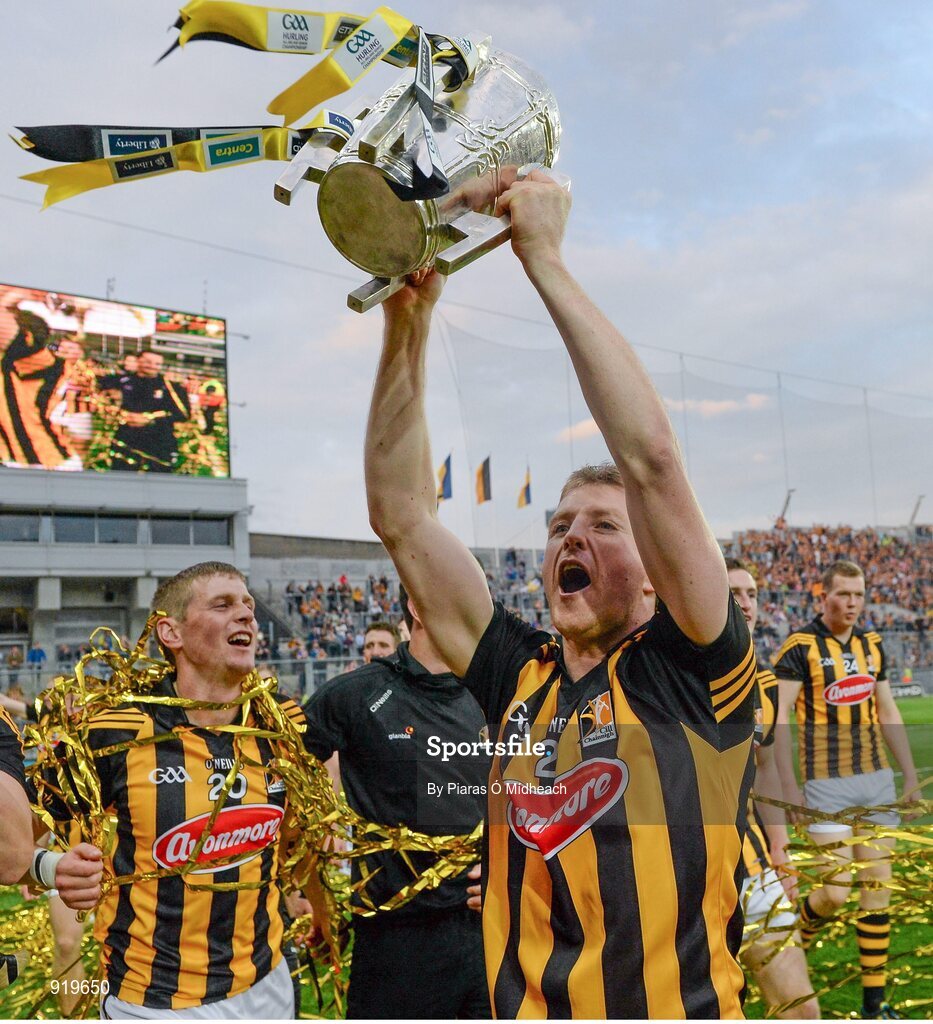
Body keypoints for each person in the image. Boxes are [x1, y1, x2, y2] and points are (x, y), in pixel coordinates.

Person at [363, 172, 756, 1018]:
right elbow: (401, 516)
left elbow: (650, 459)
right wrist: (407, 323)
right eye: (559, 526)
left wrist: (541, 259)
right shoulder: (518, 674)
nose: (570, 537)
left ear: (654, 566)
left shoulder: (696, 670)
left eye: (604, 527)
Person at [36, 561, 321, 1018]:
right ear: (171, 633)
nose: (246, 614)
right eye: (223, 604)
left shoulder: (282, 721)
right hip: (154, 1001)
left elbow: (297, 834)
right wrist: (48, 867)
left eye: (247, 604)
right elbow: (20, 833)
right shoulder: (114, 731)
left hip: (268, 986)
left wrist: (310, 901)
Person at [301, 583, 487, 1018]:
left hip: (489, 937)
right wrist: (310, 890)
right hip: (395, 944)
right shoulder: (355, 694)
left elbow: (526, 800)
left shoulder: (497, 692)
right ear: (417, 605)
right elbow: (278, 780)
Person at [774, 559, 920, 1020]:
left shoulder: (871, 644)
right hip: (825, 786)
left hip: (876, 781)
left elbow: (888, 710)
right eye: (844, 594)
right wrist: (791, 787)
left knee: (876, 890)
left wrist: (909, 774)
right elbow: (778, 721)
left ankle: (875, 1007)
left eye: (858, 594)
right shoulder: (799, 647)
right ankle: (789, 950)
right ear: (825, 596)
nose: (853, 603)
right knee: (834, 892)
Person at [726, 559, 819, 1019]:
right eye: (733, 593)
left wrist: (780, 849)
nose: (745, 603)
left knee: (801, 1009)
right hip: (677, 881)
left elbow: (765, 767)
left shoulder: (762, 680)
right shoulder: (662, 671)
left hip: (753, 864)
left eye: (752, 594)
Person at [98, 348, 190, 472]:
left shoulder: (171, 386)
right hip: (125, 439)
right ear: (138, 361)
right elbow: (103, 402)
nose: (152, 366)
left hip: (158, 442)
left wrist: (150, 419)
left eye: (157, 364)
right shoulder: (119, 381)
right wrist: (122, 415)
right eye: (148, 362)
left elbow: (183, 414)